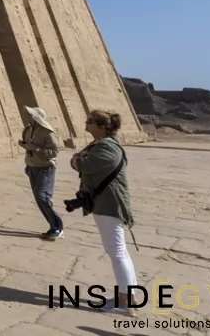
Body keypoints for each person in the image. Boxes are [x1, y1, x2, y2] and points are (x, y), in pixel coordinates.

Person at [71, 110, 135, 313]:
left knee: (117, 252)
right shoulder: (101, 145)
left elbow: (83, 164)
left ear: (101, 127)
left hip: (109, 204)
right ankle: (127, 295)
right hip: (104, 203)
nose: (85, 123)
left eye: (90, 121)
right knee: (119, 251)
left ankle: (125, 302)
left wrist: (76, 159)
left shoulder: (108, 148)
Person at [20, 105, 64, 240]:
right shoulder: (28, 129)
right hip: (32, 166)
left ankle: (58, 226)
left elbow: (54, 152)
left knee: (42, 197)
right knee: (39, 199)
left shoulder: (47, 132)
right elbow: (29, 143)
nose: (29, 117)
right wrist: (24, 145)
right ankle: (53, 226)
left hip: (45, 167)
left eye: (31, 115)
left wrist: (36, 149)